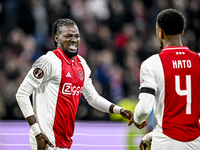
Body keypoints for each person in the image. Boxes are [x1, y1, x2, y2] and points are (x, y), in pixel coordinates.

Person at [15, 18, 138, 150]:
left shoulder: (82, 64)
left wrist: (119, 110)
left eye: (76, 36)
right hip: (46, 139)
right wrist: (37, 131)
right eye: (68, 36)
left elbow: (93, 98)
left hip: (65, 140)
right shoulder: (47, 61)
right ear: (57, 38)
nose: (74, 39)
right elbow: (22, 93)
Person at [133, 9, 200, 150]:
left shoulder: (151, 63)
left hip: (166, 141)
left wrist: (137, 119)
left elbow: (145, 108)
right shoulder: (198, 60)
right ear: (182, 31)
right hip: (195, 142)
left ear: (160, 33)